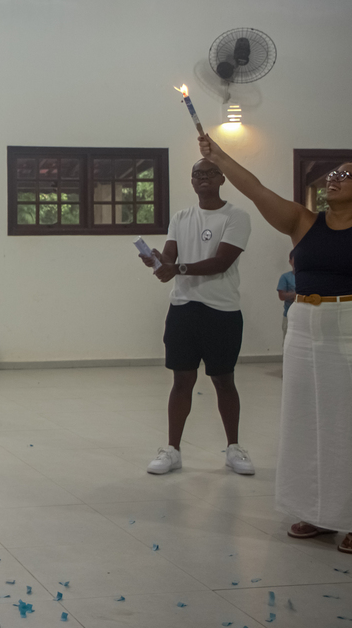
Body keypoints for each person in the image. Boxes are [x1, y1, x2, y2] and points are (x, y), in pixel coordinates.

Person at [199, 136, 352, 554]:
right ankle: (317, 510)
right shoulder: (303, 221)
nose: (334, 179)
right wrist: (219, 156)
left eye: (346, 175)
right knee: (309, 422)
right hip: (305, 329)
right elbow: (256, 189)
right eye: (333, 173)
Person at [140, 158, 253, 477]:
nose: (203, 178)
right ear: (191, 181)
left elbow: (221, 262)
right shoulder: (181, 217)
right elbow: (170, 257)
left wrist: (177, 268)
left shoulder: (236, 216)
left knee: (224, 380)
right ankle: (172, 450)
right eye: (197, 174)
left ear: (222, 179)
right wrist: (156, 260)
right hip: (183, 308)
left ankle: (234, 448)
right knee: (181, 381)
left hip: (222, 310)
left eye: (210, 173)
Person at [278, 252, 296, 340]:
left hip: (304, 316)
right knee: (287, 343)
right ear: (290, 261)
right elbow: (281, 296)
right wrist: (297, 295)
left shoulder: (308, 278)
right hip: (289, 316)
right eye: (295, 260)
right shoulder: (285, 277)